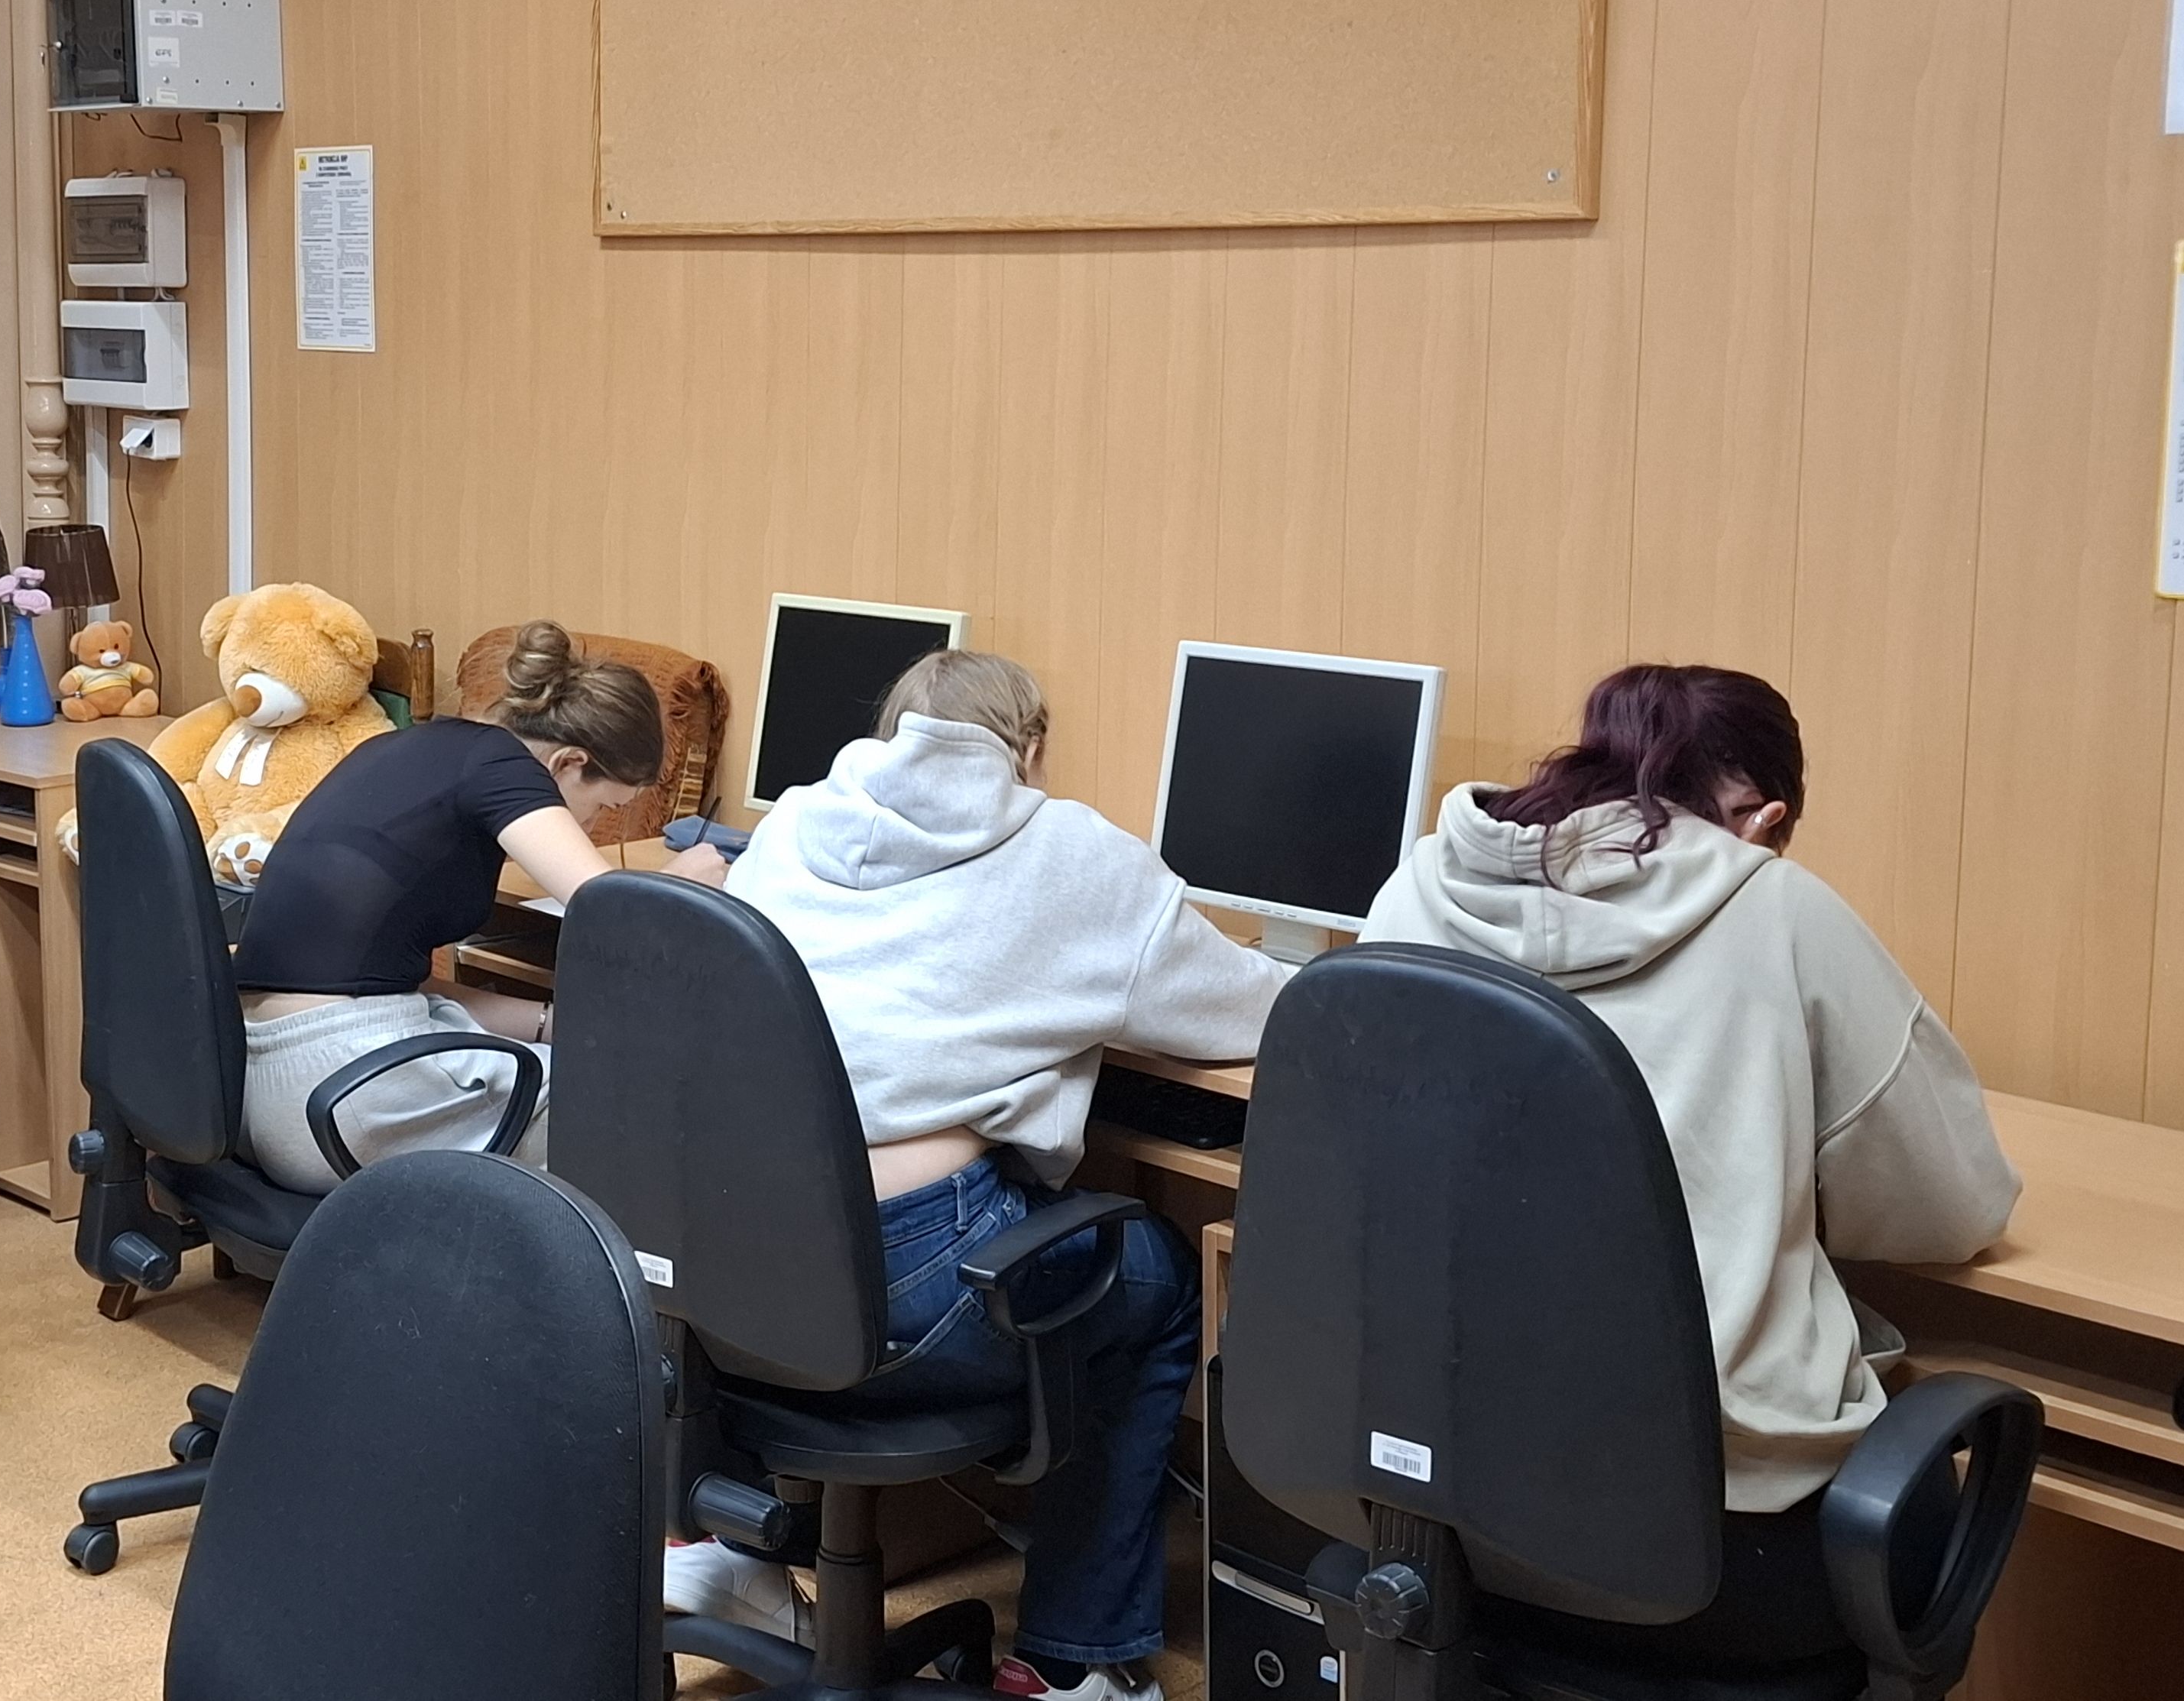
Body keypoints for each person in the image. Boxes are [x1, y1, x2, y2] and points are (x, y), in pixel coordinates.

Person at [1363, 663, 2019, 1664]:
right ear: (1762, 817)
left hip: (1433, 1503)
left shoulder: (1418, 886)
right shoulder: (1779, 906)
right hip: (1711, 1546)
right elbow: (1951, 1207)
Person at [695, 650, 1291, 1701]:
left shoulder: (791, 821)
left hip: (727, 1268)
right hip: (911, 1283)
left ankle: (737, 1558)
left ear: (888, 732)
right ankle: (1071, 1658)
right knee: (1153, 1279)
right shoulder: (1070, 850)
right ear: (1031, 749)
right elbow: (1251, 1011)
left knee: (1082, 1247)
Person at [228, 620, 727, 1194]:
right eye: (603, 807)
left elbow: (385, 985)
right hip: (342, 1092)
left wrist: (551, 1024)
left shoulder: (409, 747)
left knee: (547, 1059)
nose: (590, 828)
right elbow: (615, 918)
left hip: (262, 1087)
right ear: (568, 763)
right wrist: (685, 885)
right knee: (635, 1098)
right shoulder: (502, 766)